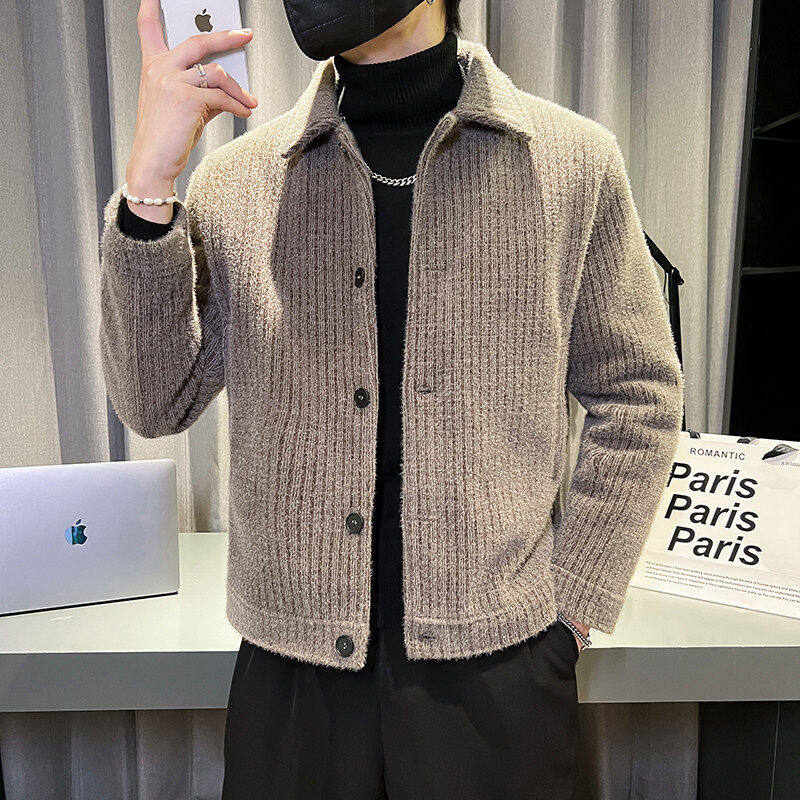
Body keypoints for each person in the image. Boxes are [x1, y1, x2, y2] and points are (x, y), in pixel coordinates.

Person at [98, 0, 685, 797]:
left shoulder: (570, 162)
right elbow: (154, 402)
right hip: (293, 676)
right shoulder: (240, 181)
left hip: (499, 674)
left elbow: (638, 392)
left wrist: (572, 610)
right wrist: (149, 187)